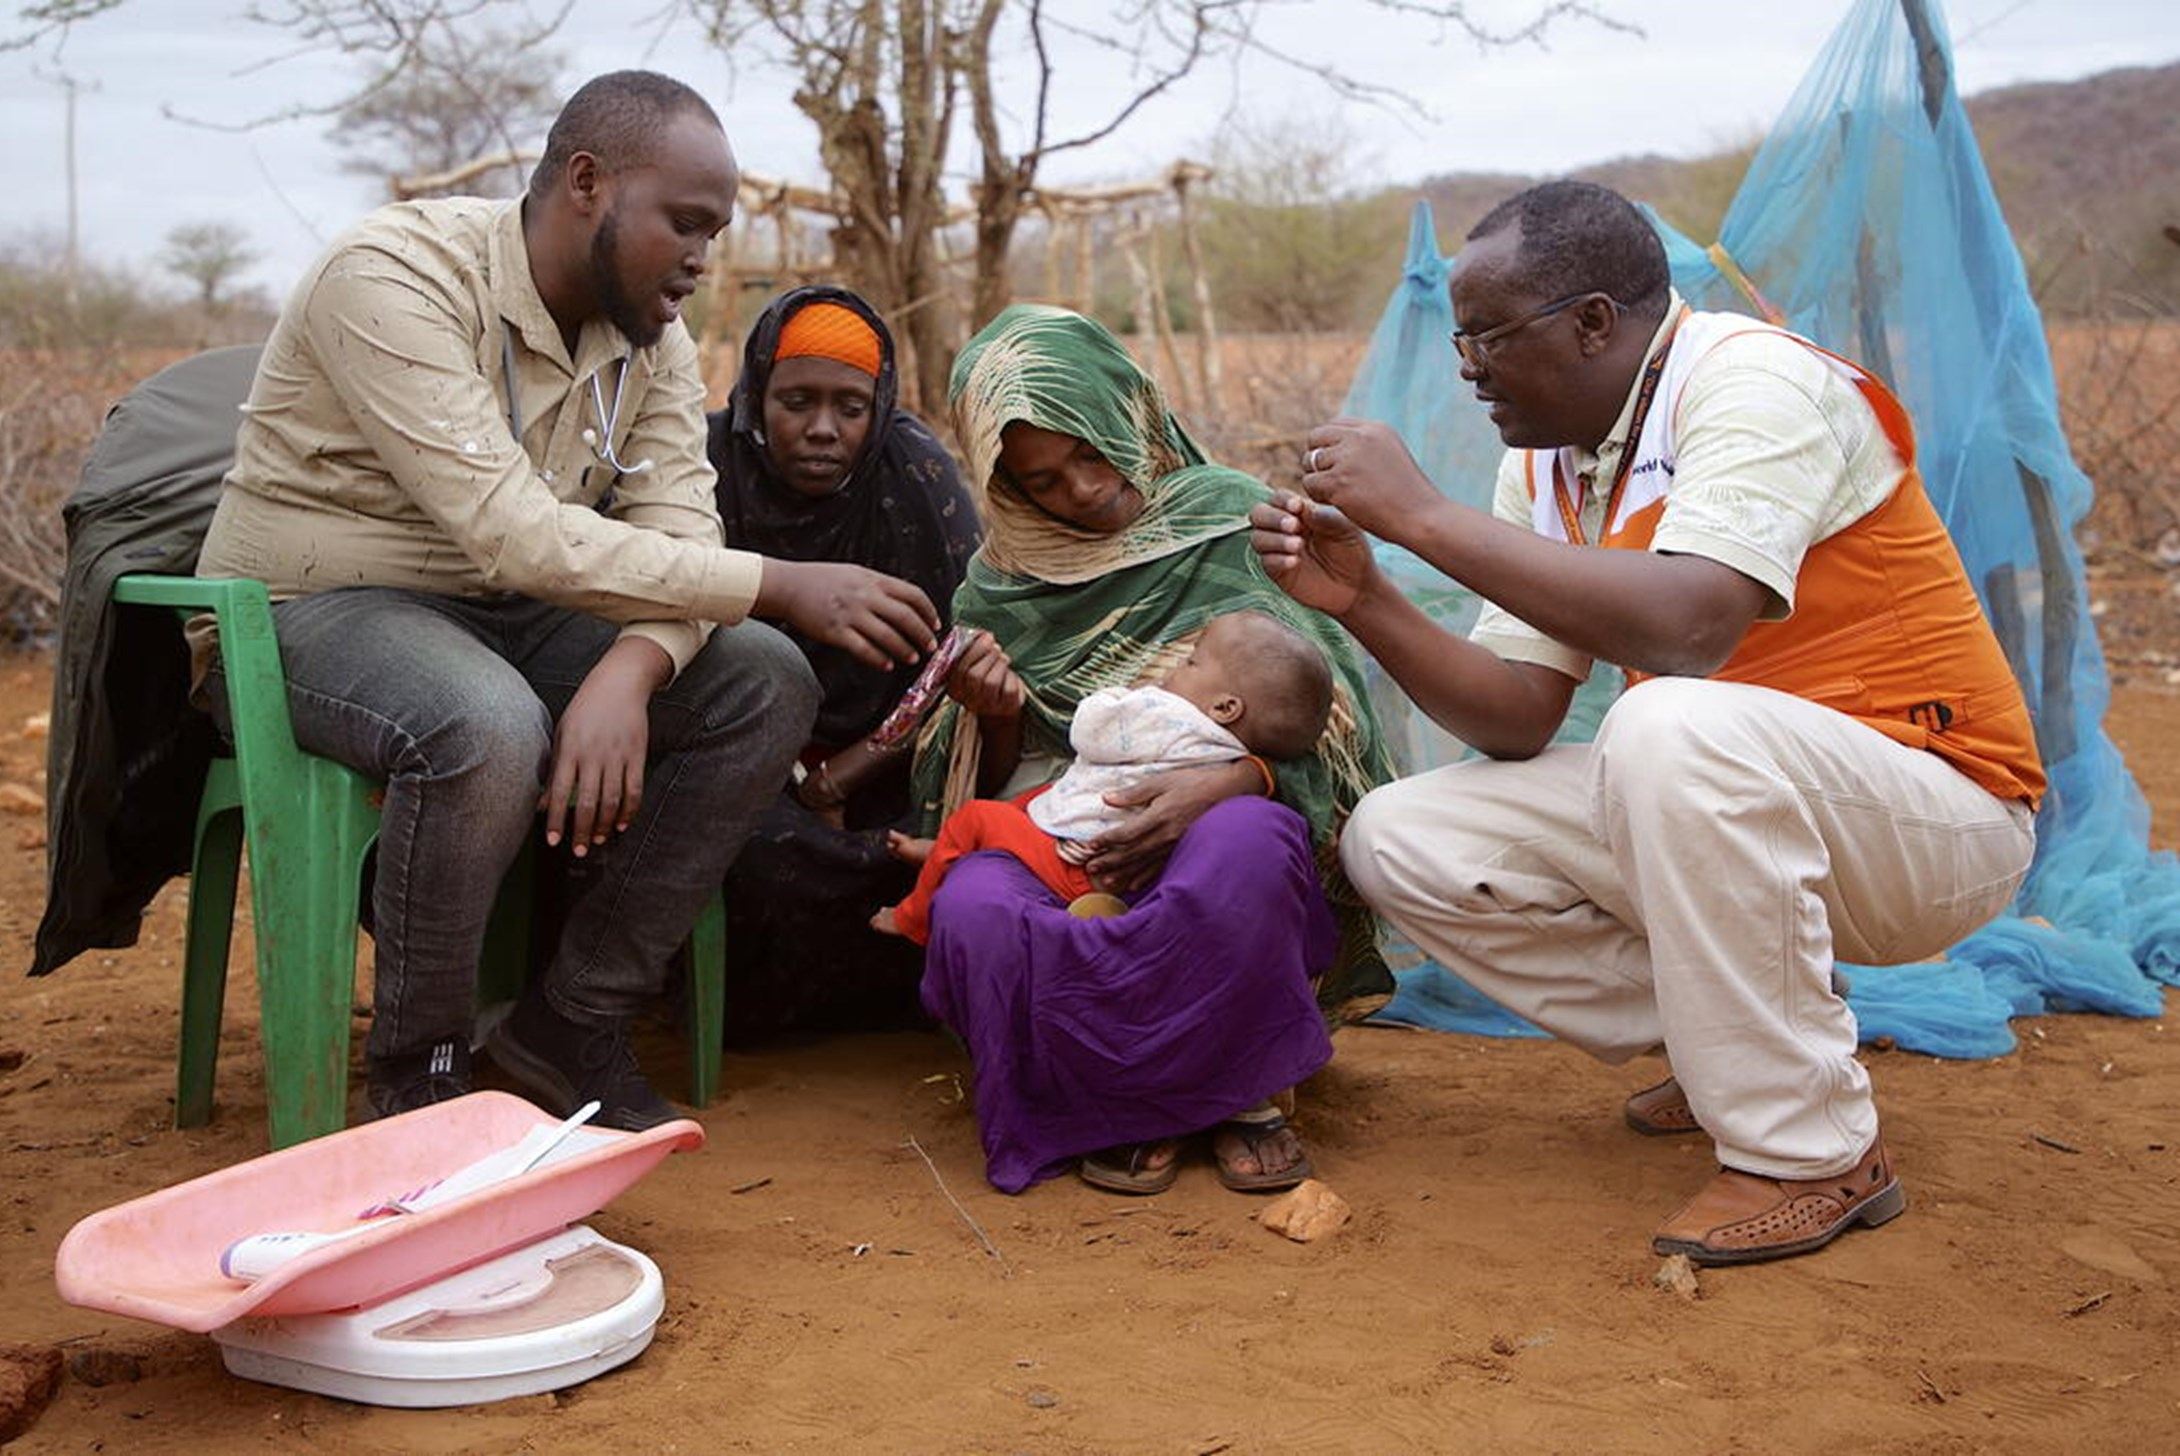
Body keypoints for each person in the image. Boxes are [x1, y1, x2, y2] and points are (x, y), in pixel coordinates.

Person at [1250, 180, 2043, 1264]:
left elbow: (1691, 628)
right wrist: (1370, 600)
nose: (1467, 368)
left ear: (1591, 320)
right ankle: (1748, 1044)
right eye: (1459, 339)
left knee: (1666, 721)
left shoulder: (1754, 384)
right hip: (1752, 802)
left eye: (1487, 335)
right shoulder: (1546, 459)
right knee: (1400, 836)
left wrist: (1421, 518)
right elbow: (1519, 716)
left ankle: (1810, 1153)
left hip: (1937, 813)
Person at [192, 72, 941, 1130]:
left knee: (762, 679)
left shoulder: (653, 339)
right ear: (587, 182)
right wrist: (777, 586)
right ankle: (421, 1073)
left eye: (714, 233)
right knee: (486, 722)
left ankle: (568, 1020)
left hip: (504, 612)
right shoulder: (393, 275)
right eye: (684, 223)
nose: (700, 258)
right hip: (312, 611)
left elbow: (683, 535)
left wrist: (630, 672)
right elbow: (510, 530)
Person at [911, 303, 1396, 1197]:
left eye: (1091, 453)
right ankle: (1117, 1096)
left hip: (1230, 802)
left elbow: (1326, 709)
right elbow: (974, 771)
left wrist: (1234, 778)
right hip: (1064, 826)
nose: (1083, 491)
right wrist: (1000, 711)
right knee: (974, 905)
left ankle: (1241, 1090)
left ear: (1124, 413)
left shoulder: (1231, 522)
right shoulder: (1001, 587)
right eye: (1043, 483)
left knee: (1246, 851)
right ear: (1007, 488)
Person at [704, 285, 980, 1038]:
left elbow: (961, 649)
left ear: (878, 406)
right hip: (741, 759)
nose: (823, 429)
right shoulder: (702, 471)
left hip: (891, 765)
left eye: (850, 408)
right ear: (758, 395)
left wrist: (846, 772)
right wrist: (793, 775)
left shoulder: (914, 476)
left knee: (949, 852)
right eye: (796, 401)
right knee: (739, 845)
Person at [878, 608, 1333, 941]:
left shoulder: (1170, 717)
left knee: (977, 817)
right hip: (1117, 860)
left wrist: (1132, 695)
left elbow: (1091, 730)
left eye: (1191, 662)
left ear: (1225, 707)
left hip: (1075, 862)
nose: (1175, 665)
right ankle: (948, 851)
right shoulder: (1229, 750)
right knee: (1038, 797)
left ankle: (912, 914)